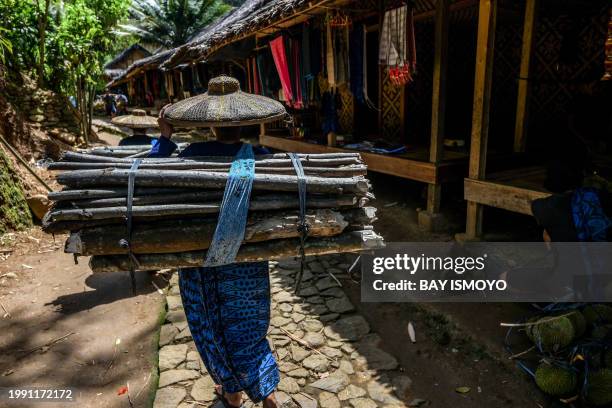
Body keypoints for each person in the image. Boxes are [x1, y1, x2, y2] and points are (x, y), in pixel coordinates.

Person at [149, 78, 283, 408]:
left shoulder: (188, 157)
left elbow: (150, 174)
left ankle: (232, 393)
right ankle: (267, 394)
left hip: (201, 264)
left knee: (212, 327)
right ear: (243, 122)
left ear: (210, 125)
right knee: (249, 327)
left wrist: (165, 136)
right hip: (248, 261)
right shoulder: (262, 158)